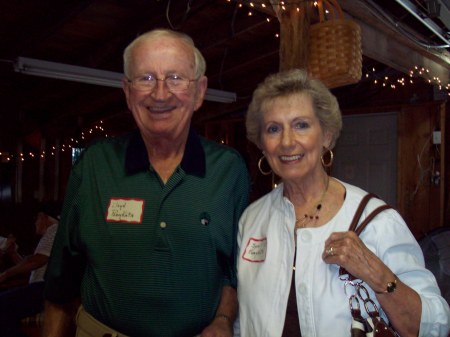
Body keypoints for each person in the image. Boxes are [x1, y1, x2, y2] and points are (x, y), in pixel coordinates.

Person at [43, 28, 250, 337]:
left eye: (176, 78)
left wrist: (222, 319)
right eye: (146, 78)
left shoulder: (228, 169)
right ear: (128, 92)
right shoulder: (95, 166)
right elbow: (60, 281)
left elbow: (236, 271)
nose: (161, 94)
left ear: (200, 91)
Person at [235, 68, 450, 337]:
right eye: (273, 129)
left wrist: (378, 275)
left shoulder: (377, 221)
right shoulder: (252, 219)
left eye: (301, 125)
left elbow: (435, 326)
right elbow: (244, 321)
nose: (287, 142)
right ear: (263, 145)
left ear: (326, 136)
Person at [0, 201, 60, 337]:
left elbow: (36, 261)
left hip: (45, 288)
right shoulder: (49, 236)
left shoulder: (55, 230)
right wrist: (13, 253)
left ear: (43, 216)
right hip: (41, 287)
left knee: (2, 304)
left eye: (36, 219)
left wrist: (5, 274)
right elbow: (30, 266)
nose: (35, 223)